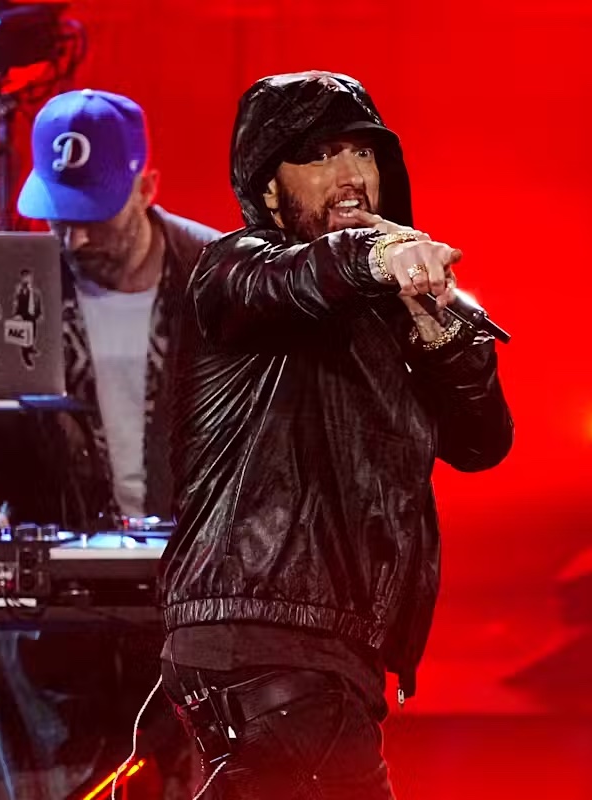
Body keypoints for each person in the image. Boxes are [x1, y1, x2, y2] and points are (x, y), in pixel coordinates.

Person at [159, 71, 514, 798]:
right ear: (268, 190)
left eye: (363, 152)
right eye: (320, 156)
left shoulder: (388, 314)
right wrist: (376, 257)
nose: (350, 174)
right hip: (271, 638)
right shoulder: (233, 269)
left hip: (310, 651)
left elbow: (483, 443)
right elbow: (294, 278)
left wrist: (444, 333)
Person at [0, 88, 222, 800]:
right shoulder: (11, 287)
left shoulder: (219, 279)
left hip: (187, 610)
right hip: (48, 627)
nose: (72, 241)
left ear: (148, 188)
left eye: (92, 218)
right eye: (57, 217)